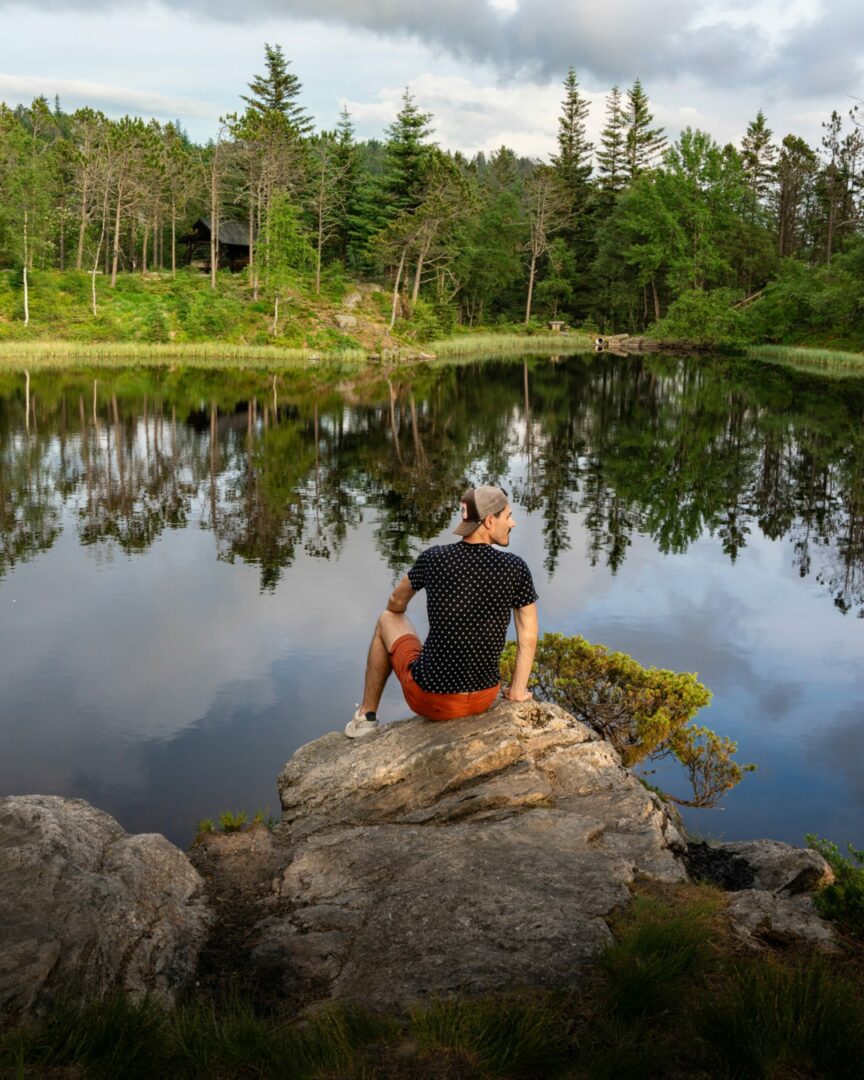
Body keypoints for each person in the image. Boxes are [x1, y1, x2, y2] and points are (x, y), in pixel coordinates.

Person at [345, 485, 539, 738]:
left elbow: (394, 603)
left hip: (431, 700)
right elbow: (528, 635)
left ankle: (366, 717)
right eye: (508, 516)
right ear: (490, 521)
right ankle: (509, 690)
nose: (513, 523)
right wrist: (517, 692)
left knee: (387, 619)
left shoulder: (434, 558)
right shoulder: (516, 567)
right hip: (484, 697)